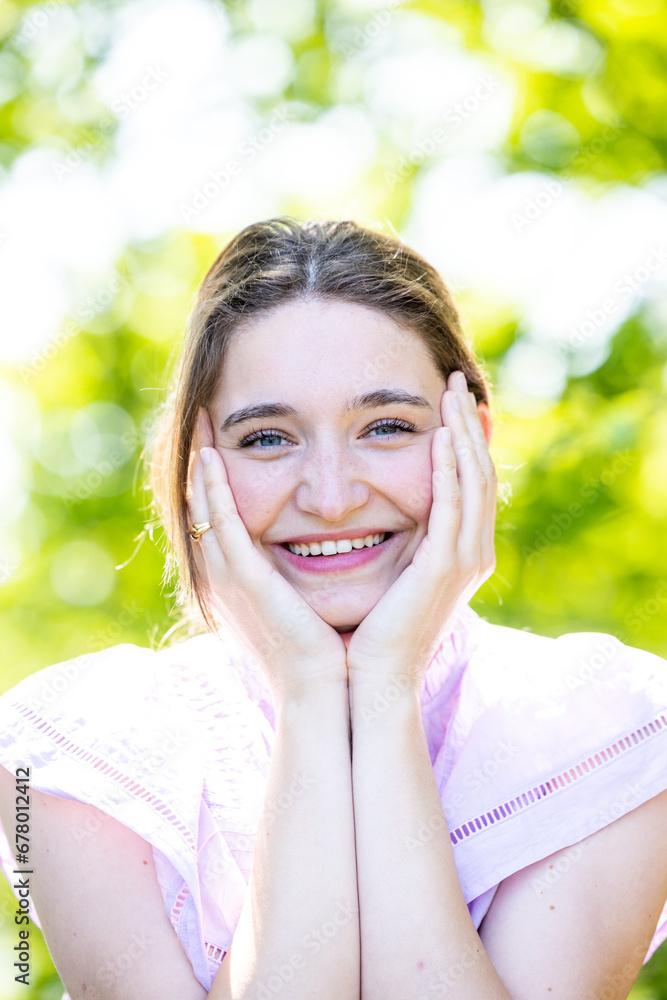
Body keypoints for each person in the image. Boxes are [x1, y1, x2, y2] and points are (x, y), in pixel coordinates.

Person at [0, 217, 666, 1000]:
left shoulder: (610, 729)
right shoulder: (74, 754)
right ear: (194, 466)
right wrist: (310, 690)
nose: (330, 496)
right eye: (267, 439)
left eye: (385, 427)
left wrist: (383, 683)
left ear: (470, 442)